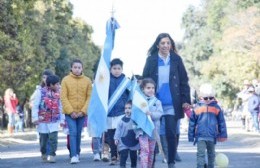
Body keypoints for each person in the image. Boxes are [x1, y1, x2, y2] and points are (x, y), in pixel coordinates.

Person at [142, 33, 191, 168]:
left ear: (171, 45)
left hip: (171, 103)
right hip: (154, 103)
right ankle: (150, 162)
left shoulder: (176, 59)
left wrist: (186, 100)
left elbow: (184, 81)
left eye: (168, 43)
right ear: (157, 45)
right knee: (152, 132)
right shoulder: (151, 60)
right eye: (162, 43)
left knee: (171, 132)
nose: (165, 45)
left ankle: (171, 161)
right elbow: (144, 80)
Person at [61, 59, 92, 164]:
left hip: (82, 113)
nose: (77, 69)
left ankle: (77, 153)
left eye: (79, 67)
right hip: (70, 113)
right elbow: (63, 97)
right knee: (73, 132)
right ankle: (73, 155)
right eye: (75, 67)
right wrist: (71, 111)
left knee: (78, 133)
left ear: (82, 68)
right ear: (71, 68)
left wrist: (83, 111)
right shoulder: (65, 80)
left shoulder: (87, 80)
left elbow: (89, 97)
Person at [188, 83, 227, 168]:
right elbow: (192, 122)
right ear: (200, 97)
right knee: (200, 154)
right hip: (200, 136)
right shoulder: (197, 108)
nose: (208, 100)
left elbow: (221, 122)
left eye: (211, 97)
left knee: (211, 154)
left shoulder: (216, 107)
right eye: (206, 98)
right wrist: (191, 136)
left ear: (214, 96)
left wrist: (222, 134)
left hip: (212, 136)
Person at [32, 75, 64, 163]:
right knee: (43, 140)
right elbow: (35, 106)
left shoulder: (59, 93)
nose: (58, 86)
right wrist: (35, 118)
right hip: (42, 121)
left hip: (54, 121)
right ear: (50, 85)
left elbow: (61, 106)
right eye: (57, 84)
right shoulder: (40, 92)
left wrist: (62, 119)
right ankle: (44, 153)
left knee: (53, 139)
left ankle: (52, 154)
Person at [103, 58, 130, 165]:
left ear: (122, 69)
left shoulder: (126, 81)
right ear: (110, 69)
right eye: (114, 68)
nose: (117, 70)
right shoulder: (105, 80)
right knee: (111, 136)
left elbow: (130, 96)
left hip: (121, 112)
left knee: (121, 135)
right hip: (109, 113)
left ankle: (121, 154)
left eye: (119, 68)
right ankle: (113, 155)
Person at [134, 78, 163, 168]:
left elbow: (159, 114)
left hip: (153, 130)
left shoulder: (157, 102)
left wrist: (151, 114)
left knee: (151, 151)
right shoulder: (138, 102)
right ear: (143, 89)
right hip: (142, 130)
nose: (151, 90)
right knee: (145, 150)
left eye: (152, 88)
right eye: (148, 88)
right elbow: (135, 115)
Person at [114, 100, 139, 168]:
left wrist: (139, 135)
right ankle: (122, 166)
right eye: (126, 108)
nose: (127, 110)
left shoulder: (136, 119)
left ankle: (134, 166)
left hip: (133, 141)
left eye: (129, 108)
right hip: (123, 141)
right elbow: (118, 130)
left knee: (133, 156)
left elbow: (138, 129)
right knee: (123, 155)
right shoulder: (121, 120)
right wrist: (116, 138)